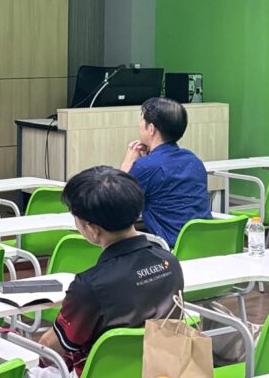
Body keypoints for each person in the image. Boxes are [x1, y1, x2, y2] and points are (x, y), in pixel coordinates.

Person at [35, 166, 184, 376]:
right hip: (159, 369)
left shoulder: (90, 286)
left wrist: (40, 347)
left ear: (93, 229)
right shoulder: (169, 262)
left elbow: (54, 348)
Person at [119, 97, 212, 247]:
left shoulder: (145, 166)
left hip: (166, 249)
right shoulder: (193, 160)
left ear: (151, 129)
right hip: (204, 246)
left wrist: (128, 161)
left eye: (141, 121)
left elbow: (116, 202)